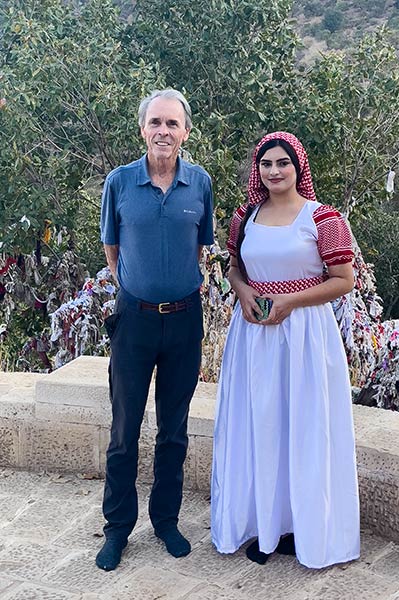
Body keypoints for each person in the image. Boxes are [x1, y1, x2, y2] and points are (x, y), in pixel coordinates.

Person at [211, 131, 360, 568]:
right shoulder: (245, 217)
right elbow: (236, 270)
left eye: (283, 163)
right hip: (254, 335)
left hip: (306, 339)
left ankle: (304, 527)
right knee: (260, 425)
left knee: (305, 426)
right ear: (257, 170)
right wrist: (242, 295)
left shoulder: (323, 219)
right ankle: (264, 526)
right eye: (266, 164)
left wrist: (289, 302)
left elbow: (343, 279)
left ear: (299, 167)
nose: (274, 171)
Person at [96, 89, 214, 571]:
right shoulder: (119, 182)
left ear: (185, 132)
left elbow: (201, 250)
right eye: (155, 123)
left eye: (173, 124)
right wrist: (140, 291)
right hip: (135, 321)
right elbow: (112, 251)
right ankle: (117, 530)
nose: (163, 132)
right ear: (142, 129)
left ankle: (165, 520)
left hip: (184, 321)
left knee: (174, 431)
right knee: (124, 430)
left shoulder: (200, 183)